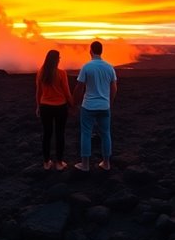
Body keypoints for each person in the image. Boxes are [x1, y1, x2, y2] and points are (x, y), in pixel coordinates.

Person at [72, 40, 117, 171]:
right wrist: (110, 102)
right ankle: (106, 163)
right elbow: (114, 87)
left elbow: (79, 87)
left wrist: (75, 102)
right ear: (101, 51)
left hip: (88, 106)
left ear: (90, 51)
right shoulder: (109, 67)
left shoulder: (87, 67)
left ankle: (85, 165)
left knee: (86, 133)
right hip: (104, 106)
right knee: (106, 134)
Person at [36, 49, 73, 170]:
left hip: (45, 107)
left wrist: (38, 106)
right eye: (59, 58)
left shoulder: (41, 73)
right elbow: (67, 93)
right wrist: (72, 104)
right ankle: (59, 163)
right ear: (56, 60)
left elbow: (38, 92)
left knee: (47, 134)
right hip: (60, 107)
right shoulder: (61, 74)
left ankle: (46, 163)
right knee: (60, 134)